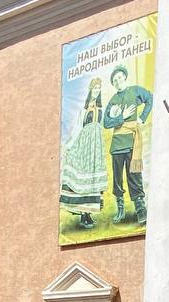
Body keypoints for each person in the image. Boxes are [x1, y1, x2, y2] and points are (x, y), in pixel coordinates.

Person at [102, 64, 152, 225]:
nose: (117, 81)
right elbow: (106, 123)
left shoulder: (135, 91)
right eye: (114, 80)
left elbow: (150, 98)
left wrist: (141, 118)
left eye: (119, 77)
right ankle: (121, 208)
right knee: (117, 179)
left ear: (124, 77)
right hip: (117, 145)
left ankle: (140, 208)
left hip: (132, 142)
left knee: (134, 175)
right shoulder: (113, 100)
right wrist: (122, 116)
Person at [60, 76, 107, 231]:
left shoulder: (102, 109)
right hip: (84, 144)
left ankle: (89, 213)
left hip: (96, 147)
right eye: (94, 88)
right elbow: (77, 128)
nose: (96, 91)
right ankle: (83, 214)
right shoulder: (84, 110)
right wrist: (69, 145)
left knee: (92, 180)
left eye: (98, 89)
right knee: (82, 180)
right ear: (90, 90)